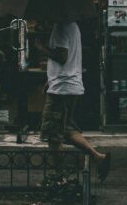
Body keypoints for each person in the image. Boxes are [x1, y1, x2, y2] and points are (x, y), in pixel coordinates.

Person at [35, 19, 111, 182]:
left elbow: (62, 57)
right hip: (67, 85)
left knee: (53, 133)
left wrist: (42, 47)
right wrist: (51, 79)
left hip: (62, 89)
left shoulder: (61, 27)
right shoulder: (73, 25)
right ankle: (98, 157)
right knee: (66, 129)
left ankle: (57, 177)